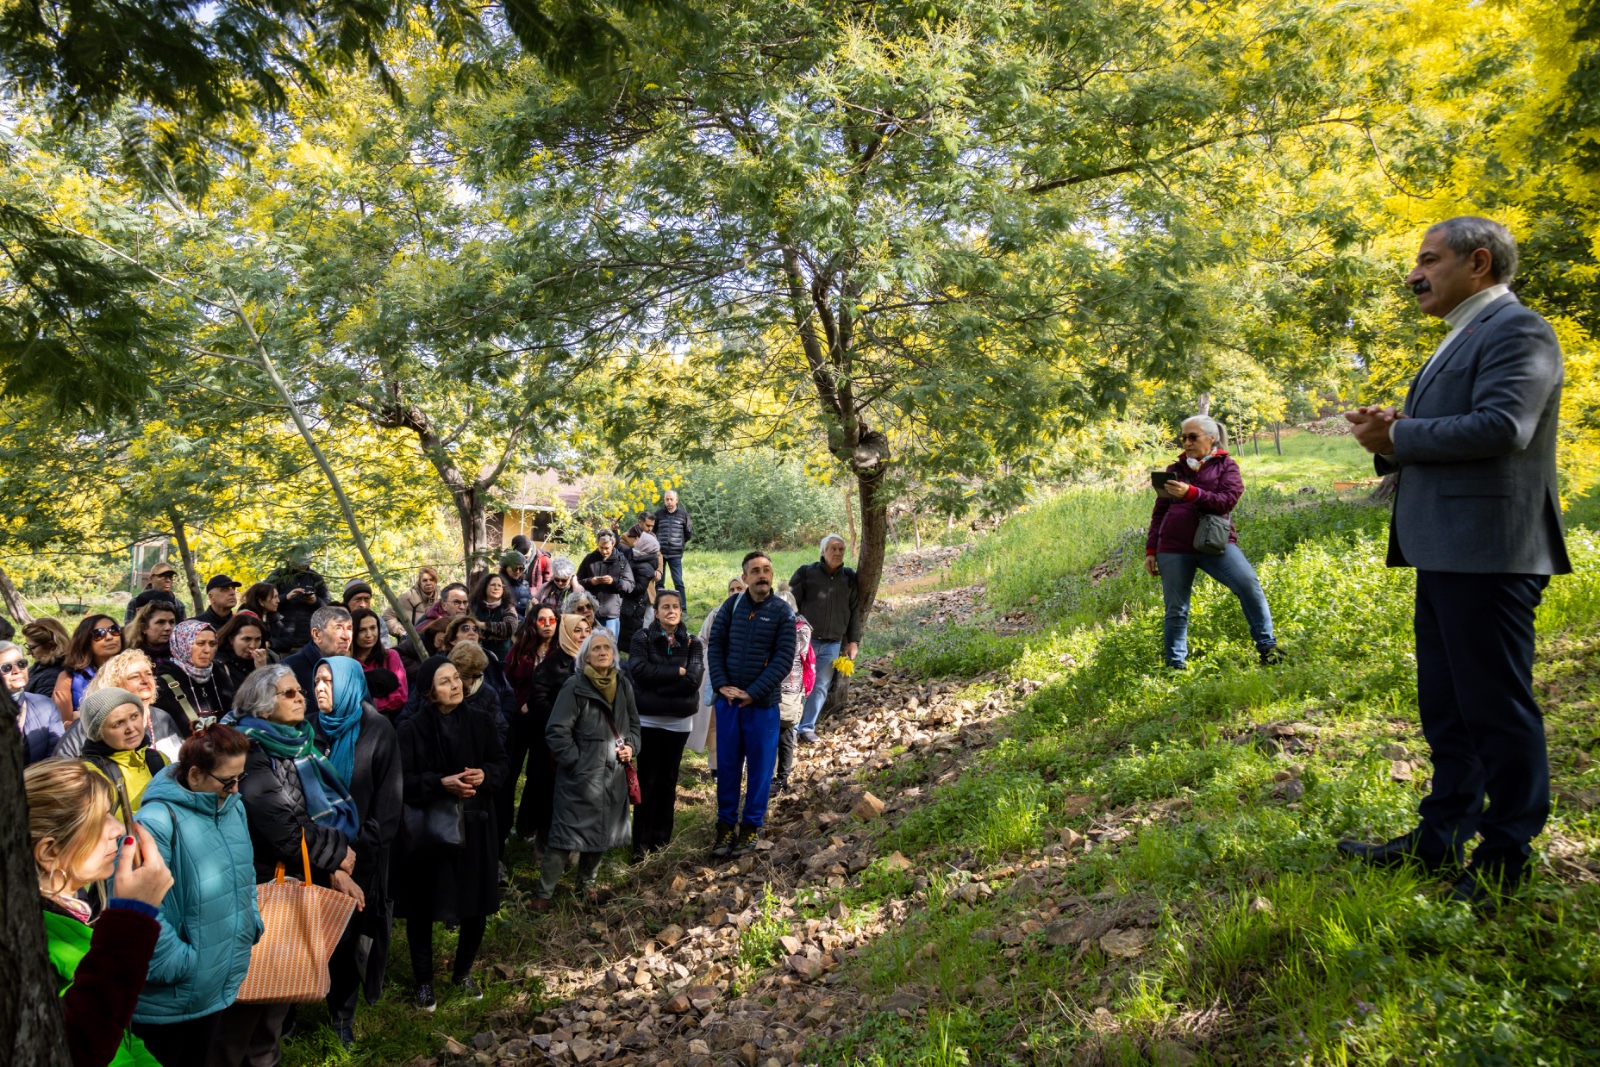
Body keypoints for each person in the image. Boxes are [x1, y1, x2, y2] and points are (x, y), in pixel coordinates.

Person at [1339, 218, 1571, 910]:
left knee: (1495, 707)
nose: (1414, 273)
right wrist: (1390, 435)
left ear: (1478, 262)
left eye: (1427, 259)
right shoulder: (1461, 335)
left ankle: (1507, 854)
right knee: (1449, 708)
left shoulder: (1517, 329)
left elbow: (1504, 427)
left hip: (1490, 550)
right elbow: (1447, 432)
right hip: (1446, 548)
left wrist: (1401, 432)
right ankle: (1441, 833)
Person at [221, 664, 363, 1067]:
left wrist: (330, 859)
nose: (301, 696)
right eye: (288, 693)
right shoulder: (249, 748)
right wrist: (334, 854)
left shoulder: (297, 740)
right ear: (263, 707)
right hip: (264, 878)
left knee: (277, 991)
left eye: (299, 690)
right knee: (256, 994)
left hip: (299, 867)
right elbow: (278, 825)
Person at [127, 725, 261, 1067]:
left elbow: (243, 875)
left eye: (239, 778)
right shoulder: (155, 821)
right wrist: (180, 963)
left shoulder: (233, 807)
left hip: (215, 982)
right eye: (226, 781)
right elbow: (136, 907)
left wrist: (251, 924)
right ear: (195, 774)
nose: (235, 789)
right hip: (171, 995)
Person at [28, 759, 173, 1067]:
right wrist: (135, 917)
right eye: (101, 820)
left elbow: (118, 1038)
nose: (118, 828)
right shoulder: (34, 948)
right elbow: (80, 1047)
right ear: (50, 852)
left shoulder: (62, 916)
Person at [394, 656, 508, 1009]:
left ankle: (462, 973)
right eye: (445, 682)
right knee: (423, 906)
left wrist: (485, 776)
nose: (455, 685)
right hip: (431, 830)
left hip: (476, 825)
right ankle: (424, 982)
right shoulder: (410, 729)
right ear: (429, 692)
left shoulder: (481, 721)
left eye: (456, 678)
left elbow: (502, 763)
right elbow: (401, 782)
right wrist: (439, 783)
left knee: (476, 904)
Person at [310, 657, 403, 1045]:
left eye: (329, 681)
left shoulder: (377, 731)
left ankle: (342, 1016)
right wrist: (325, 853)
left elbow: (388, 804)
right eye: (316, 680)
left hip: (360, 854)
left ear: (348, 684)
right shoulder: (309, 730)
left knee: (349, 939)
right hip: (313, 853)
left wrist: (352, 853)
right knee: (311, 933)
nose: (320, 688)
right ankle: (292, 1001)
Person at [1144, 415, 1280, 669]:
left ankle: (1268, 649)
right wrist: (1151, 549)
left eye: (1192, 436)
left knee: (1249, 586)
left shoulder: (1227, 466)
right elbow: (1160, 511)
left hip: (1216, 544)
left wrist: (1191, 493)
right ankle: (1176, 666)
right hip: (1172, 547)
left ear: (1211, 437)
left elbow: (1226, 501)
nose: (1186, 442)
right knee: (1176, 609)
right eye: (1183, 437)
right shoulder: (1173, 470)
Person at [534, 629, 639, 909]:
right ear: (586, 657)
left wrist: (632, 747)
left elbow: (635, 725)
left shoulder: (623, 684)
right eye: (596, 649)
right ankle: (543, 895)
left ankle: (586, 886)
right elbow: (557, 730)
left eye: (607, 648)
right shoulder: (574, 686)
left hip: (614, 773)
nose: (603, 652)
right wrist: (576, 762)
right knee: (564, 836)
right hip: (581, 776)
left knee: (602, 833)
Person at [706, 552, 795, 857]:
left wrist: (753, 692)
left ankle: (750, 829)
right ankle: (725, 828)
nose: (762, 575)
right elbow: (715, 646)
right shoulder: (730, 607)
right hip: (729, 704)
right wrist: (720, 684)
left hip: (761, 706)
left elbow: (784, 659)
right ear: (744, 578)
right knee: (728, 767)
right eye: (755, 571)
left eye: (767, 569)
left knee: (759, 770)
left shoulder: (783, 613)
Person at [627, 591, 704, 859]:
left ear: (681, 611)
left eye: (676, 606)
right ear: (656, 612)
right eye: (665, 607)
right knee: (647, 780)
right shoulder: (642, 638)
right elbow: (638, 670)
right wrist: (676, 673)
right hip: (648, 721)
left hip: (679, 724)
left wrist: (656, 685)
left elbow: (693, 681)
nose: (671, 610)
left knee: (668, 780)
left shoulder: (693, 642)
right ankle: (641, 844)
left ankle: (662, 841)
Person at [520, 614, 590, 850]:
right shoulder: (552, 665)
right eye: (577, 631)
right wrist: (565, 723)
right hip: (553, 743)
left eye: (586, 630)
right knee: (548, 794)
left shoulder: (596, 662)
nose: (582, 636)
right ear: (566, 633)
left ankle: (576, 847)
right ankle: (543, 847)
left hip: (587, 741)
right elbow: (538, 700)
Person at [788, 535, 862, 744]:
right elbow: (790, 605)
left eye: (841, 549)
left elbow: (854, 610)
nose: (837, 553)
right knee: (798, 685)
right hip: (805, 642)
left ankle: (807, 727)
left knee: (820, 686)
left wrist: (853, 640)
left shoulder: (849, 578)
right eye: (833, 549)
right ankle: (790, 728)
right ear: (823, 551)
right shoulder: (806, 573)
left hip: (833, 642)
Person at [56, 651, 186, 764]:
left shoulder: (162, 717)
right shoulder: (88, 725)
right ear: (114, 684)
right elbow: (61, 769)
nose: (146, 680)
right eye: (135, 676)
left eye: (149, 674)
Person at [504, 607, 559, 851]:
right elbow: (506, 681)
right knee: (510, 773)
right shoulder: (521, 649)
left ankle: (527, 827)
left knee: (537, 776)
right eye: (542, 620)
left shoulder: (560, 652)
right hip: (519, 720)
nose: (547, 624)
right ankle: (503, 828)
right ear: (534, 623)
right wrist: (520, 705)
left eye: (552, 620)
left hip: (544, 722)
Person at [75, 686, 171, 827]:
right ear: (98, 733)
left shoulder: (159, 759)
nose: (131, 728)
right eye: (118, 723)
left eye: (134, 716)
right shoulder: (90, 774)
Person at [690, 578, 746, 776]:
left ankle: (738, 765)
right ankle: (716, 766)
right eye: (732, 589)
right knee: (714, 722)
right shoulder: (717, 613)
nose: (735, 591)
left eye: (739, 588)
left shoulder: (754, 613)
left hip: (742, 677)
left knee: (739, 722)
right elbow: (702, 640)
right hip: (716, 674)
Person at [153, 621, 228, 735]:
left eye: (212, 644)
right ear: (183, 644)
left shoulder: (219, 672)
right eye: (200, 643)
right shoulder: (163, 683)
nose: (207, 650)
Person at [773, 593, 814, 794]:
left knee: (785, 735)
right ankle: (769, 776)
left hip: (789, 690)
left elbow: (789, 653)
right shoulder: (776, 626)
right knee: (769, 734)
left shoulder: (801, 628)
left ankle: (782, 778)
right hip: (769, 688)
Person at [56, 614, 126, 722]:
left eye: (114, 630)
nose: (109, 637)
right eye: (99, 634)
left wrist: (83, 717)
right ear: (85, 641)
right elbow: (63, 723)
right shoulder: (68, 678)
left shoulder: (133, 671)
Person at [5, 638, 65, 763]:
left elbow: (56, 756)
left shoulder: (46, 706)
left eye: (21, 663)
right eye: (6, 667)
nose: (17, 671)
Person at [268, 545, 332, 650]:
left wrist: (315, 601)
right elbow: (264, 599)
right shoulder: (278, 575)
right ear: (290, 558)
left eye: (305, 563)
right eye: (300, 563)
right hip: (281, 638)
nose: (302, 567)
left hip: (308, 640)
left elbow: (328, 604)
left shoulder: (315, 577)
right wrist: (285, 597)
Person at [282, 604, 353, 695]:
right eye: (338, 628)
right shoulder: (287, 670)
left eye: (349, 629)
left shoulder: (351, 668)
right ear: (316, 634)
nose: (346, 636)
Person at [349, 607, 407, 715]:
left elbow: (401, 695)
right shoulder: (347, 662)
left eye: (373, 628)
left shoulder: (390, 656)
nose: (369, 635)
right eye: (362, 630)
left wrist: (369, 704)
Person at [578, 529, 633, 638]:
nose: (604, 551)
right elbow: (577, 581)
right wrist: (590, 581)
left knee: (610, 646)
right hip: (590, 612)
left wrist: (613, 582)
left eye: (607, 548)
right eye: (601, 548)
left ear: (613, 544)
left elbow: (630, 585)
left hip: (611, 613)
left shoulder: (621, 561)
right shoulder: (590, 559)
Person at [617, 527, 660, 655]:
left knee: (631, 638)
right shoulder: (636, 554)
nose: (636, 539)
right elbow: (620, 547)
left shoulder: (646, 567)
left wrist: (621, 584)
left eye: (639, 539)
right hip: (629, 603)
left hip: (635, 606)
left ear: (645, 545)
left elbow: (640, 589)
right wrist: (614, 532)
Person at [212, 614, 272, 705]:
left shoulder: (264, 661)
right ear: (231, 639)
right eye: (247, 639)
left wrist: (262, 670)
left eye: (257, 639)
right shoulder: (219, 665)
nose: (253, 646)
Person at [469, 570, 520, 660]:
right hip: (476, 656)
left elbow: (510, 627)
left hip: (502, 657)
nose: (496, 588)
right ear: (485, 587)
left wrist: (482, 625)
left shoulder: (507, 607)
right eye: (493, 585)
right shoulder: (474, 606)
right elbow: (469, 628)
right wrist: (495, 635)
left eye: (499, 585)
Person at [652, 490, 692, 598]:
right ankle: (658, 608)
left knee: (678, 582)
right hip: (660, 554)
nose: (669, 502)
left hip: (675, 554)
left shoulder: (683, 514)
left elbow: (688, 533)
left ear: (676, 500)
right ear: (664, 501)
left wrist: (679, 544)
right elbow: (652, 532)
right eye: (667, 499)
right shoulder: (658, 514)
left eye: (671, 499)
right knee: (659, 582)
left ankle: (682, 609)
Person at [384, 566, 440, 640]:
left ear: (435, 581)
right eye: (425, 580)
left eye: (431, 580)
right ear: (420, 582)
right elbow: (387, 616)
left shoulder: (443, 599)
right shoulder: (407, 598)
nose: (428, 583)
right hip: (411, 644)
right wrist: (402, 632)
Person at [24, 616, 72, 703]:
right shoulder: (41, 666)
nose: (28, 652)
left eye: (32, 648)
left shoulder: (52, 676)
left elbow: (42, 712)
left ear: (51, 646)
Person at [239, 582, 291, 653]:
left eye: (277, 597)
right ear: (261, 601)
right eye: (274, 597)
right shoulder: (247, 619)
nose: (278, 601)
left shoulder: (275, 618)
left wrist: (270, 643)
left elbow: (288, 641)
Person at [127, 602, 178, 666]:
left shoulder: (180, 654)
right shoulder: (130, 658)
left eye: (171, 622)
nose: (168, 628)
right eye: (160, 622)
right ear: (144, 628)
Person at [498, 550, 533, 616]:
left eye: (521, 569)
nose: (517, 572)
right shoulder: (499, 585)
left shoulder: (525, 585)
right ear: (505, 568)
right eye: (514, 568)